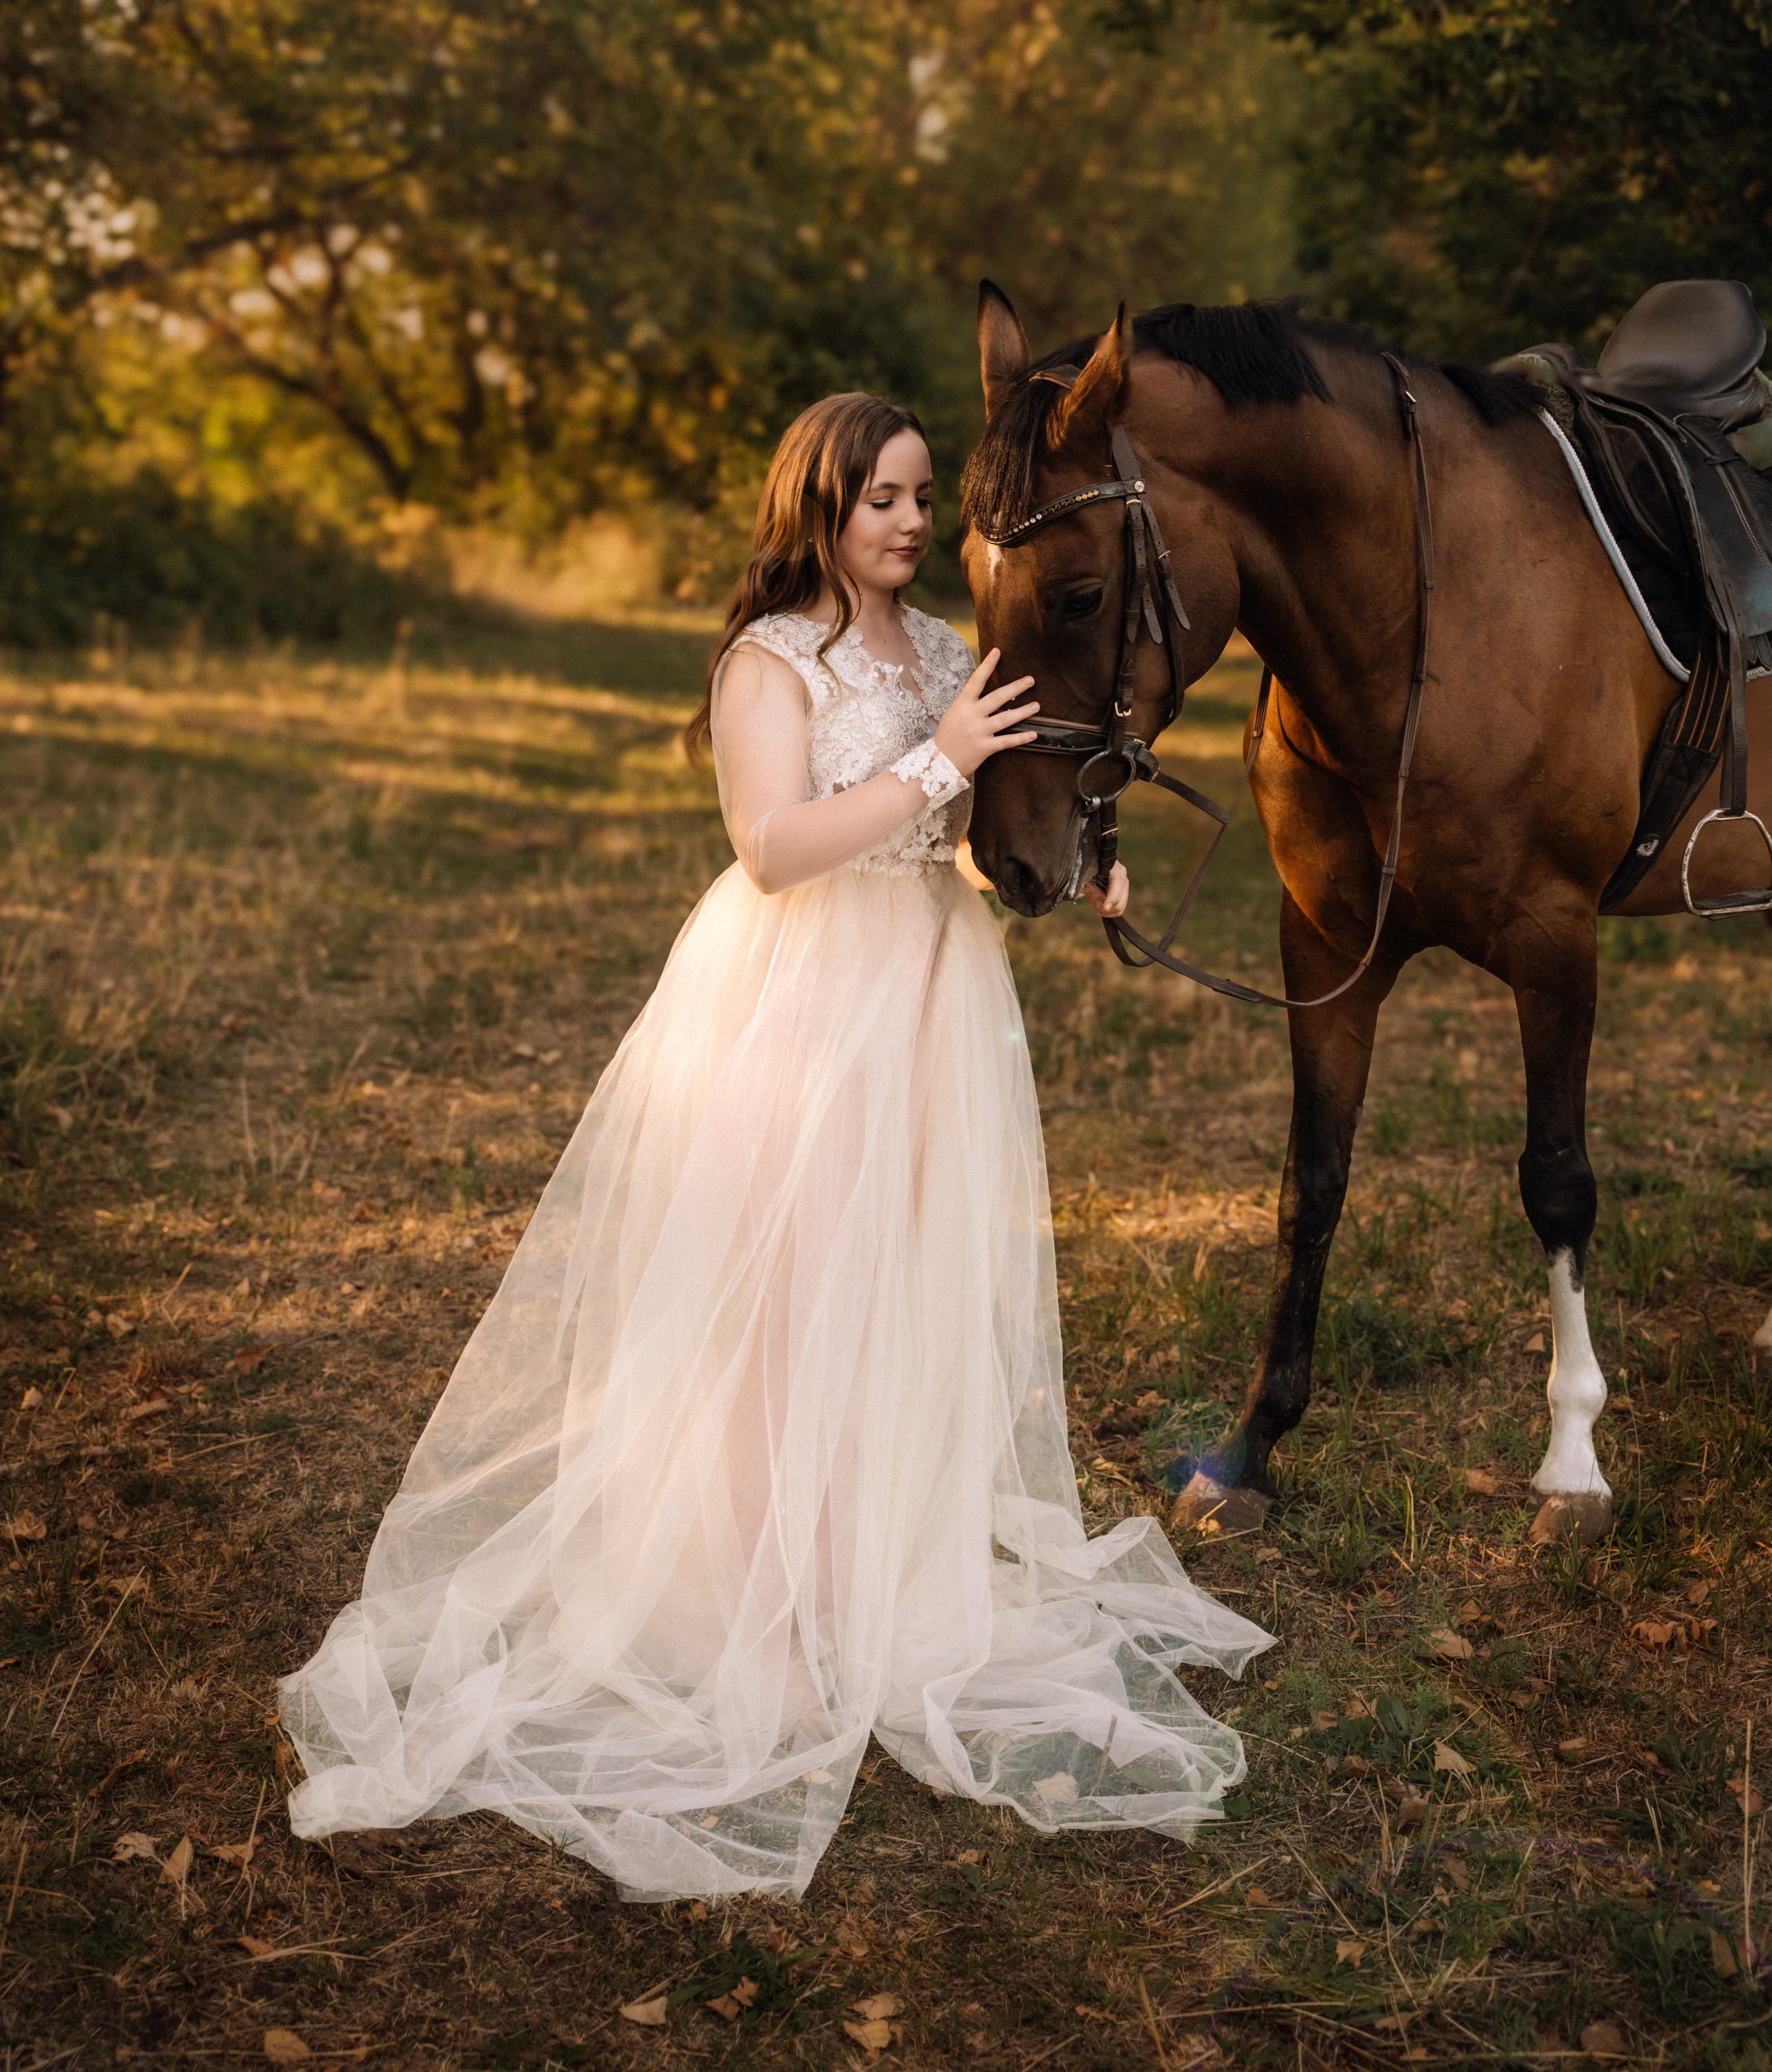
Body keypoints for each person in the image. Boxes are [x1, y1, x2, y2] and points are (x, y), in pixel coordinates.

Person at [279, 392, 1272, 1902]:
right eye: (880, 496)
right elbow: (770, 844)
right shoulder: (770, 659)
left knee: (895, 1293)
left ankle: (871, 1579)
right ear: (815, 503)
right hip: (803, 1001)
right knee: (783, 1297)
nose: (909, 520)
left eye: (921, 495)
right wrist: (936, 763)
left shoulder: (946, 649)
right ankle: (765, 1608)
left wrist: (1075, 875)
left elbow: (968, 827)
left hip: (933, 1000)